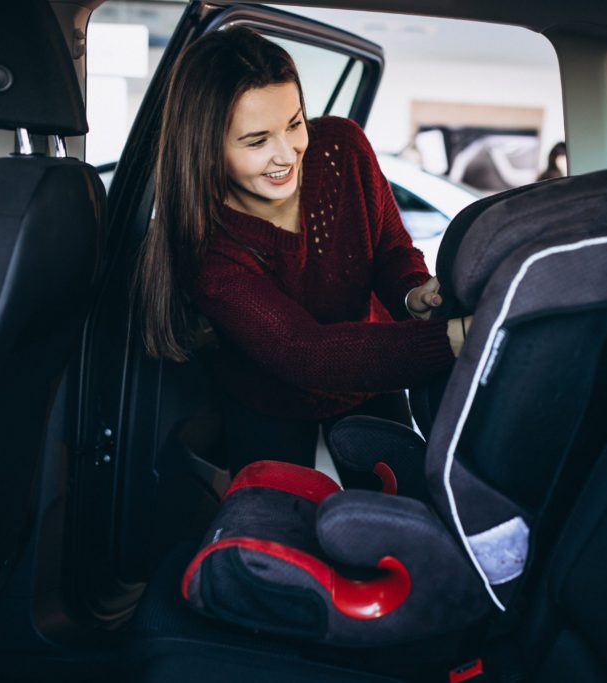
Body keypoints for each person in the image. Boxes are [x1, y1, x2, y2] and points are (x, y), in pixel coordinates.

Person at [135, 27, 471, 478]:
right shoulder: (205, 244)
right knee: (272, 523)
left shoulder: (343, 147)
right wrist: (454, 337)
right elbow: (304, 351)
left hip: (373, 374)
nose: (286, 154)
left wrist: (413, 297)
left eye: (294, 124)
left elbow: (391, 248)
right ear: (206, 148)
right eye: (256, 141)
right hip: (264, 398)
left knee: (398, 514)